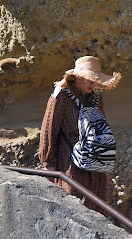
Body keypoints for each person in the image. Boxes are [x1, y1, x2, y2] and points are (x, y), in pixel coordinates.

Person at [39, 56, 121, 212]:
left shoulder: (96, 97)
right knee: (73, 205)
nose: (93, 83)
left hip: (94, 163)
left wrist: (103, 166)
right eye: (88, 78)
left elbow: (100, 130)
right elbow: (49, 128)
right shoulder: (61, 95)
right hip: (69, 161)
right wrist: (48, 164)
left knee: (96, 208)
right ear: (77, 76)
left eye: (95, 79)